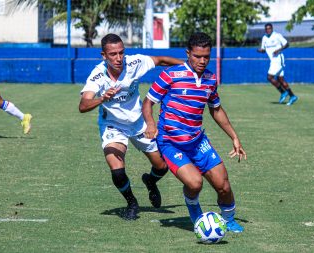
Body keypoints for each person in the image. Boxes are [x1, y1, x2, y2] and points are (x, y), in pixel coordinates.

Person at [142, 32, 247, 233]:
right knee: (195, 183)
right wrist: (150, 124)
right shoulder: (170, 75)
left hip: (198, 141)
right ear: (188, 53)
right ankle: (193, 206)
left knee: (223, 185)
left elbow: (215, 109)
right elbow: (148, 102)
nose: (202, 61)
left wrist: (234, 137)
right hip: (170, 142)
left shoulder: (210, 79)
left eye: (206, 56)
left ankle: (229, 220)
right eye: (197, 56)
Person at [78, 33, 183, 220]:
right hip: (113, 125)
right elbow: (83, 105)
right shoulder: (98, 75)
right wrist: (102, 98)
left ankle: (150, 181)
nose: (118, 58)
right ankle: (132, 203)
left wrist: (187, 69)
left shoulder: (134, 63)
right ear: (104, 55)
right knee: (117, 171)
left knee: (162, 167)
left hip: (138, 122)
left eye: (121, 53)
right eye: (113, 54)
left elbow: (161, 60)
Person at [257, 23, 298, 106]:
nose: (268, 30)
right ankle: (292, 96)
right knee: (281, 80)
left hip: (278, 59)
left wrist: (278, 50)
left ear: (272, 28)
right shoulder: (264, 38)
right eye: (266, 29)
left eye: (269, 28)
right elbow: (264, 49)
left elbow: (287, 44)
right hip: (273, 60)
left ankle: (283, 92)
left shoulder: (277, 35)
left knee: (269, 77)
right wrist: (261, 51)